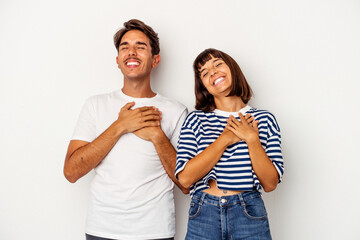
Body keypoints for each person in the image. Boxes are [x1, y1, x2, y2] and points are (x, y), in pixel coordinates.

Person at [63, 19, 188, 240]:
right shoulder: (96, 104)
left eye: (140, 47)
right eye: (125, 47)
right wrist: (121, 125)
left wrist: (158, 137)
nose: (131, 52)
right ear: (118, 61)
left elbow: (185, 184)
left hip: (155, 231)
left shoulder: (176, 111)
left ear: (155, 60)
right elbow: (71, 172)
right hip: (101, 229)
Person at [175, 48, 284, 240]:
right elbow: (185, 179)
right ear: (203, 86)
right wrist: (225, 138)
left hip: (249, 212)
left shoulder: (264, 119)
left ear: (232, 69)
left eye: (218, 64)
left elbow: (270, 183)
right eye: (205, 73)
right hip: (204, 212)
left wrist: (251, 139)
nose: (213, 72)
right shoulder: (195, 120)